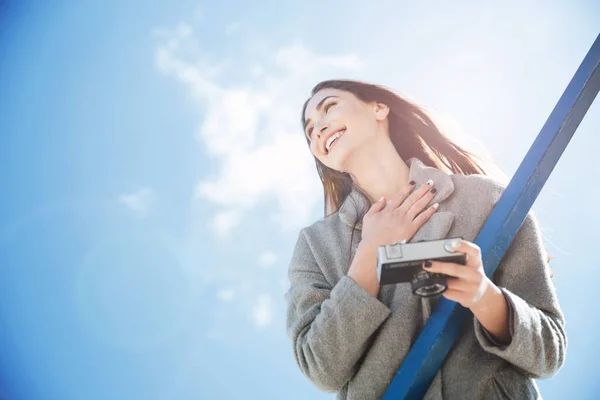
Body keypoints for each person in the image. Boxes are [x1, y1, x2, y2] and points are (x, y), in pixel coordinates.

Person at [284, 79, 566, 399]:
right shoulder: (316, 246)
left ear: (379, 108)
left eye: (329, 107)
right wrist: (371, 252)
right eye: (309, 131)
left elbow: (549, 352)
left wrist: (484, 297)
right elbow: (321, 368)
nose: (317, 129)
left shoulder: (486, 199)